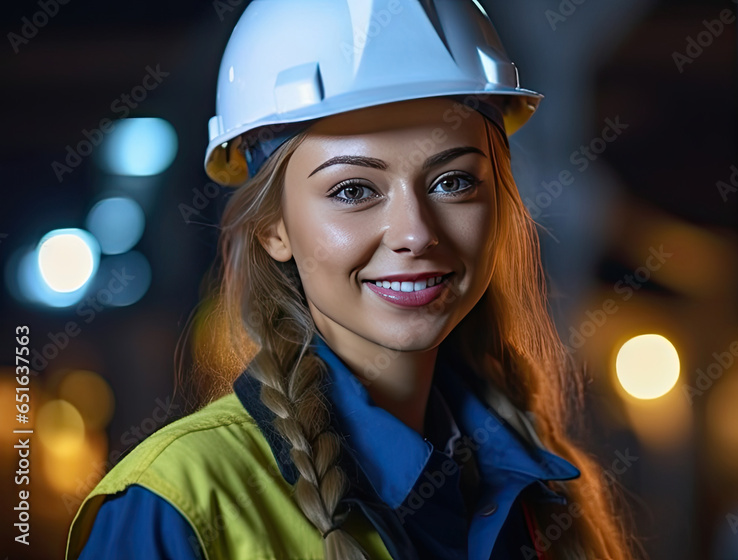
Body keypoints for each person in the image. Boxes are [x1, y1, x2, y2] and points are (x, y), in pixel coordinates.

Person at [65, 1, 641, 558]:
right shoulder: (174, 508)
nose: (415, 233)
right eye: (353, 190)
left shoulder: (534, 491)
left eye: (453, 182)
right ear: (274, 228)